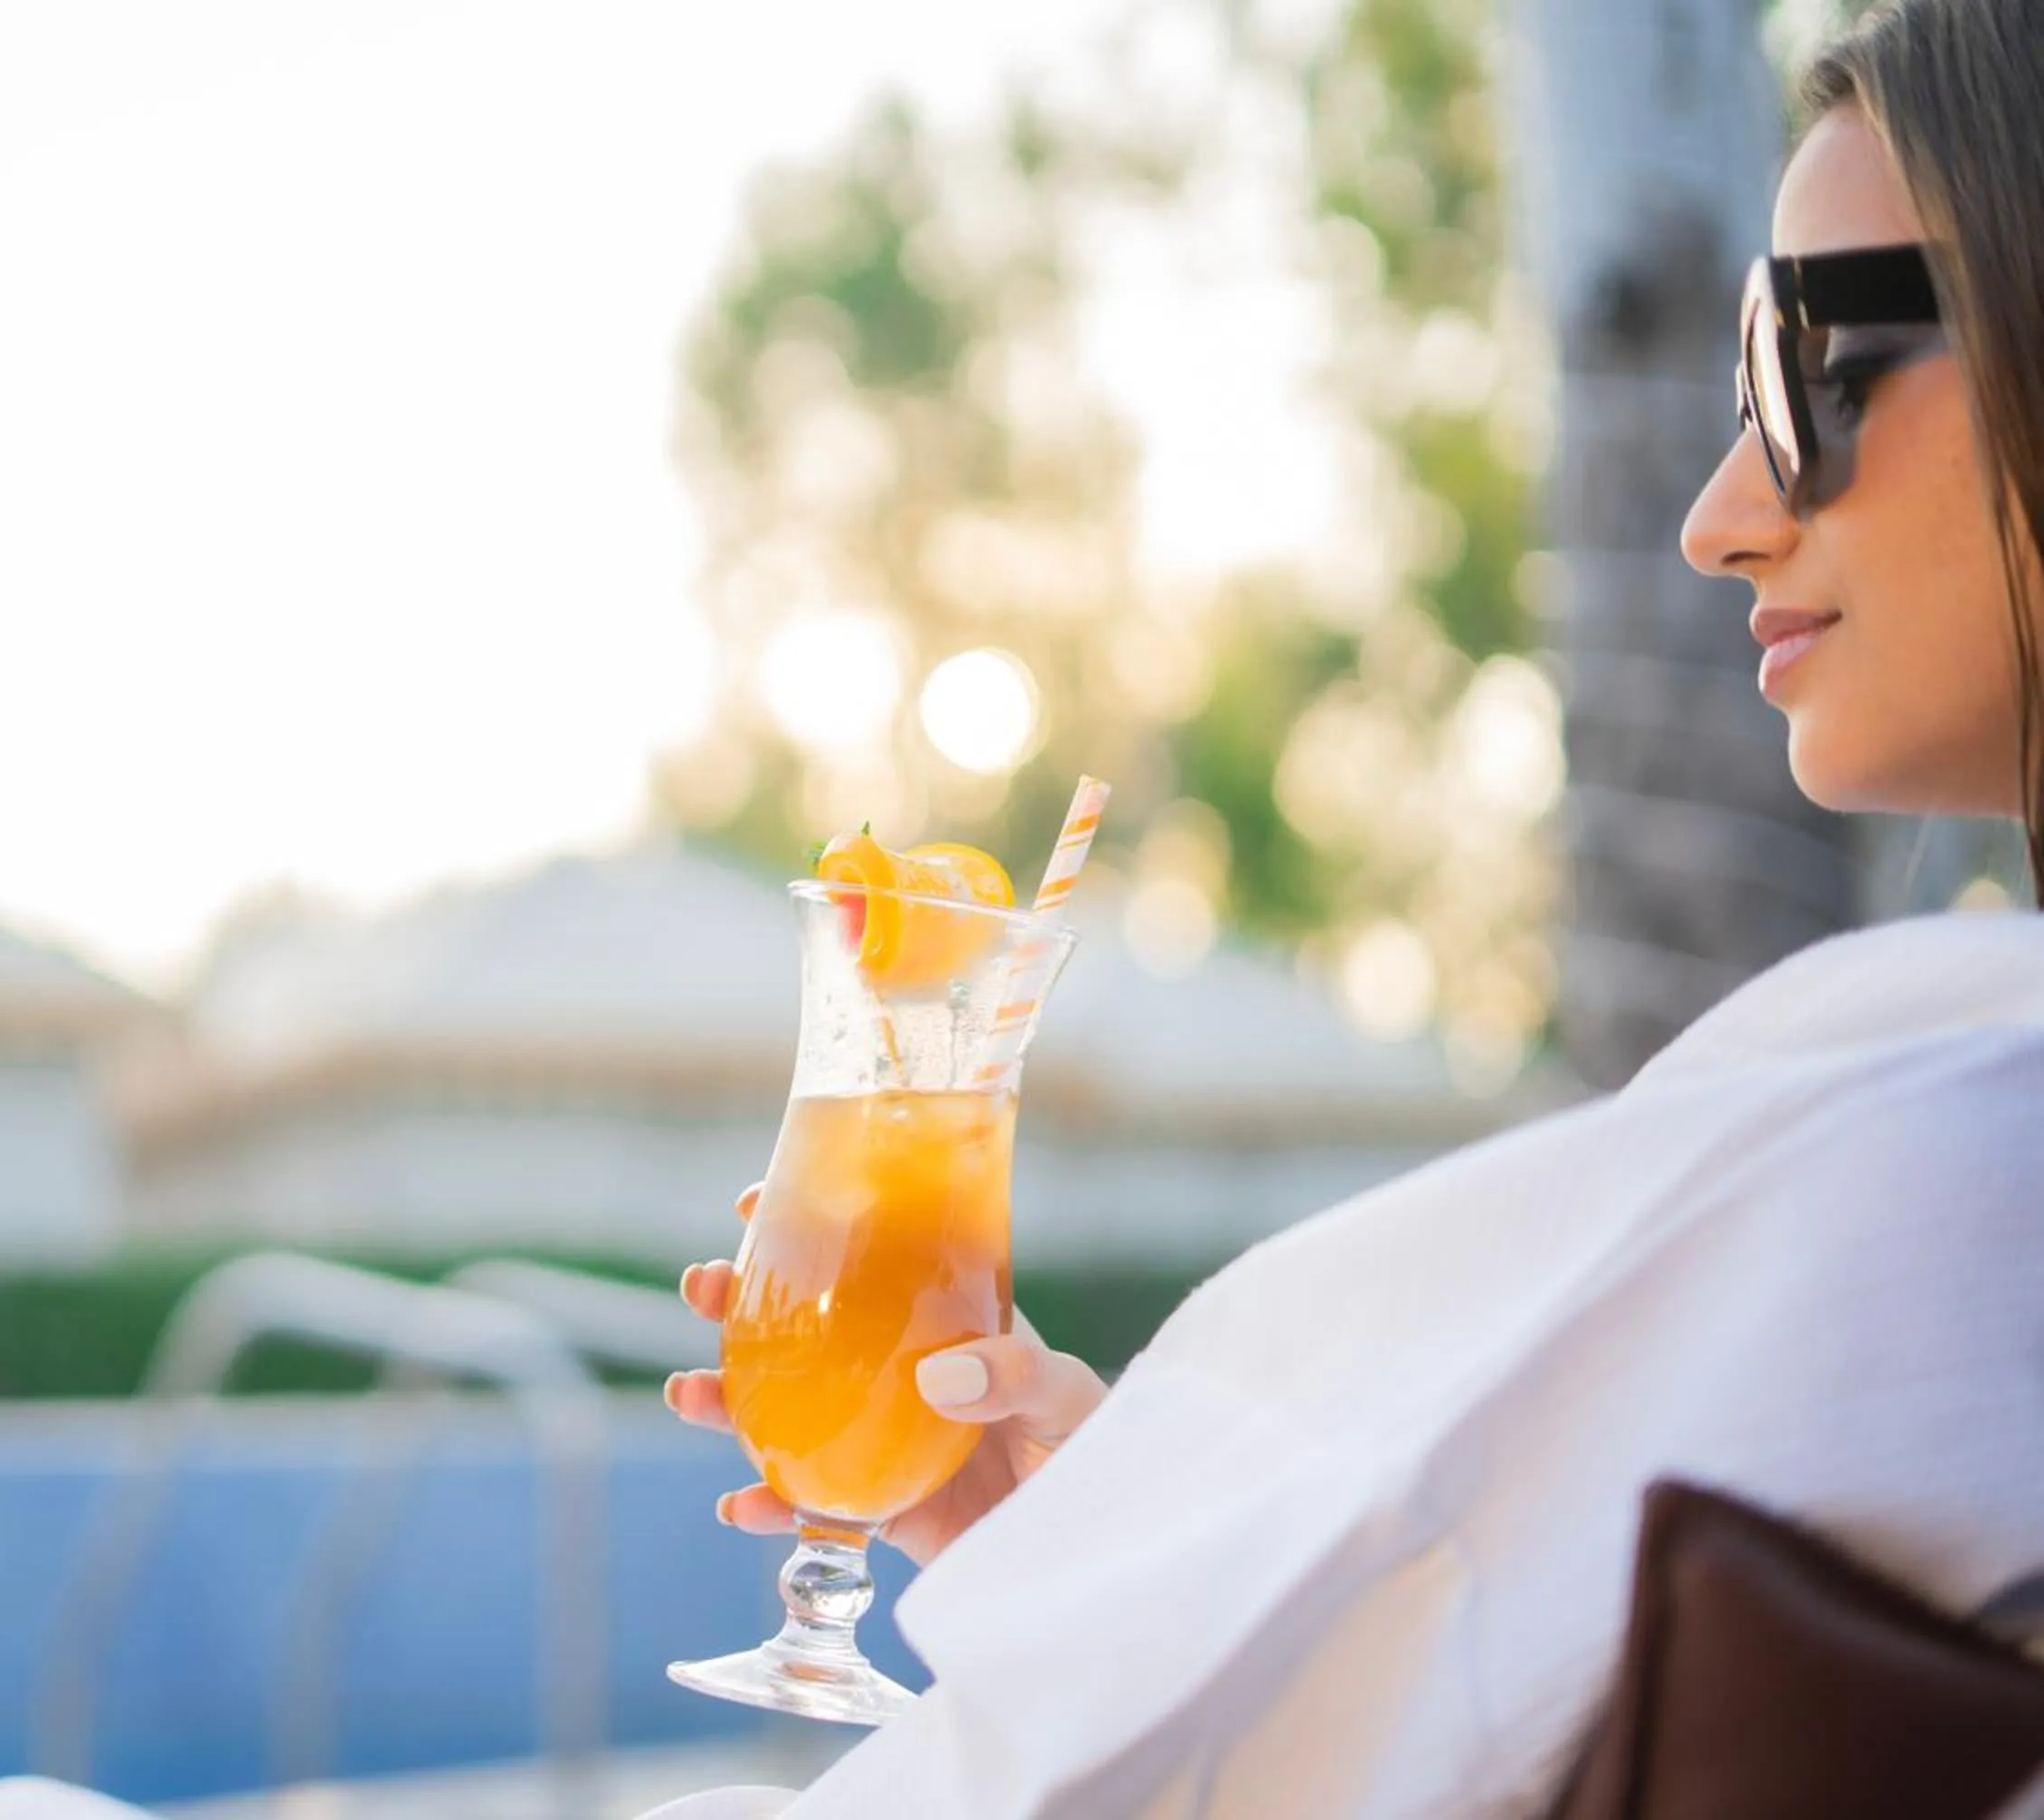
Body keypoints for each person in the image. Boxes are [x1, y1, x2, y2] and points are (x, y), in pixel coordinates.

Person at [643, 0, 2044, 1812]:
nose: (1720, 518)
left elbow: (1356, 1678)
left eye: (1800, 364)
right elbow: (1458, 1657)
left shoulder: (1948, 1118)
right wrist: (1120, 1560)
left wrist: (1156, 1595)